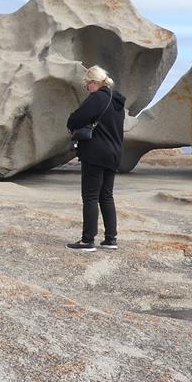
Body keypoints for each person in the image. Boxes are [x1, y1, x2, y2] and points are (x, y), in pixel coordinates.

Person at [65, 64, 127, 250]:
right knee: (106, 196)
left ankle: (87, 240)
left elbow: (76, 119)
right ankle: (110, 239)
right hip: (114, 153)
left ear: (94, 82)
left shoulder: (98, 98)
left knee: (90, 196)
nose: (86, 87)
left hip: (95, 153)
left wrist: (72, 123)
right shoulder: (117, 102)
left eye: (87, 83)